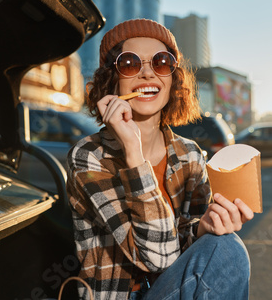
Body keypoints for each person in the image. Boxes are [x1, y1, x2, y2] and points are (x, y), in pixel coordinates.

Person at [66, 18, 254, 300]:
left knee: (227, 246)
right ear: (113, 79)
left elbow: (182, 243)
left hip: (174, 288)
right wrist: (133, 149)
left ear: (172, 79)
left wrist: (204, 228)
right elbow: (158, 258)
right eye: (130, 64)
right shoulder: (90, 156)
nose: (146, 74)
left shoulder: (189, 154)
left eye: (161, 63)